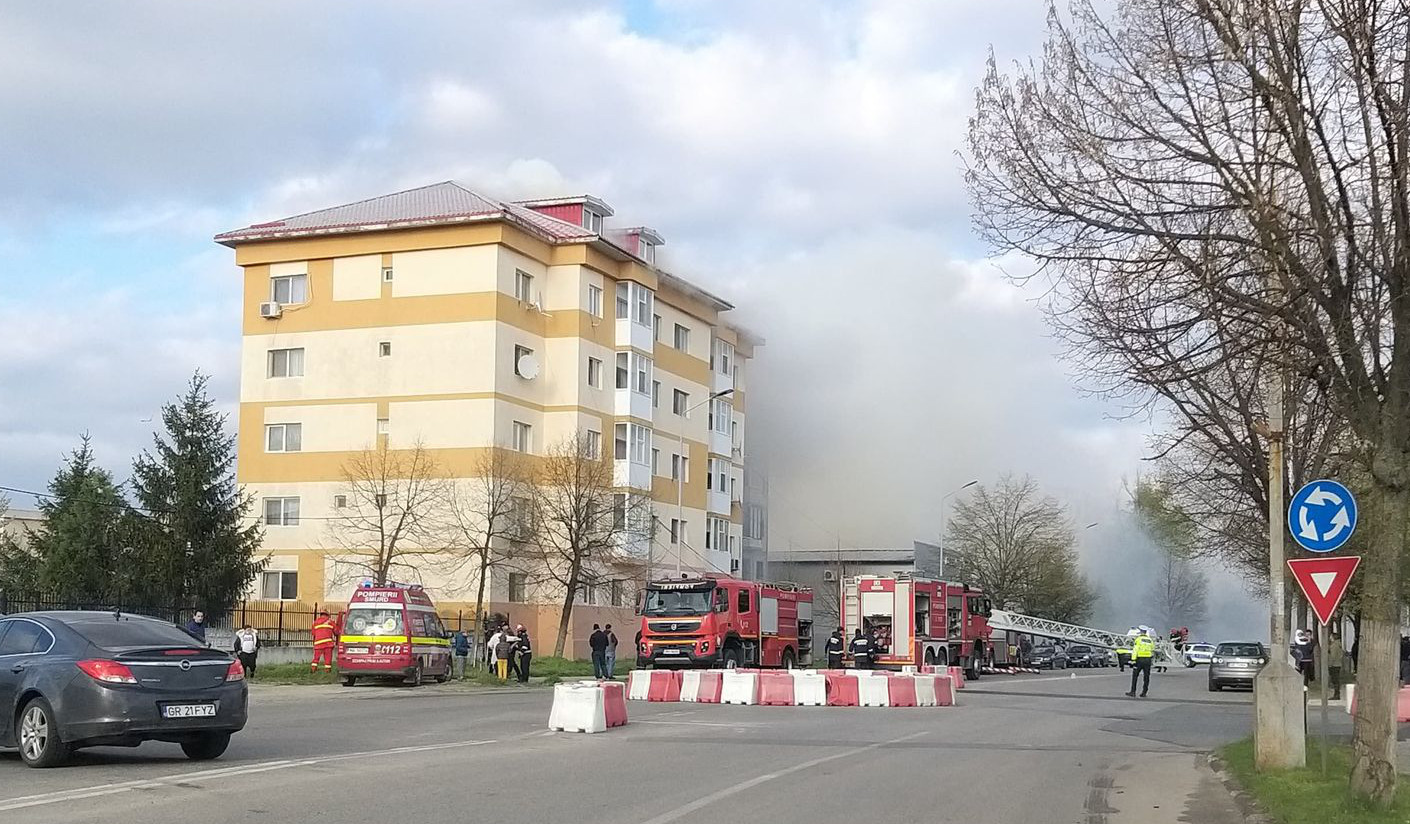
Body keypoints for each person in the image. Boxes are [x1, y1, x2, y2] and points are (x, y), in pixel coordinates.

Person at [1125, 629, 1155, 698]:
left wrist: (1133, 659)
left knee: (1135, 676)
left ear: (1141, 632)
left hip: (1139, 660)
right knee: (1146, 677)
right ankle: (1144, 692)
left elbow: (1135, 650)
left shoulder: (1138, 639)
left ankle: (1133, 692)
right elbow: (1153, 649)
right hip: (1148, 660)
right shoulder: (1150, 640)